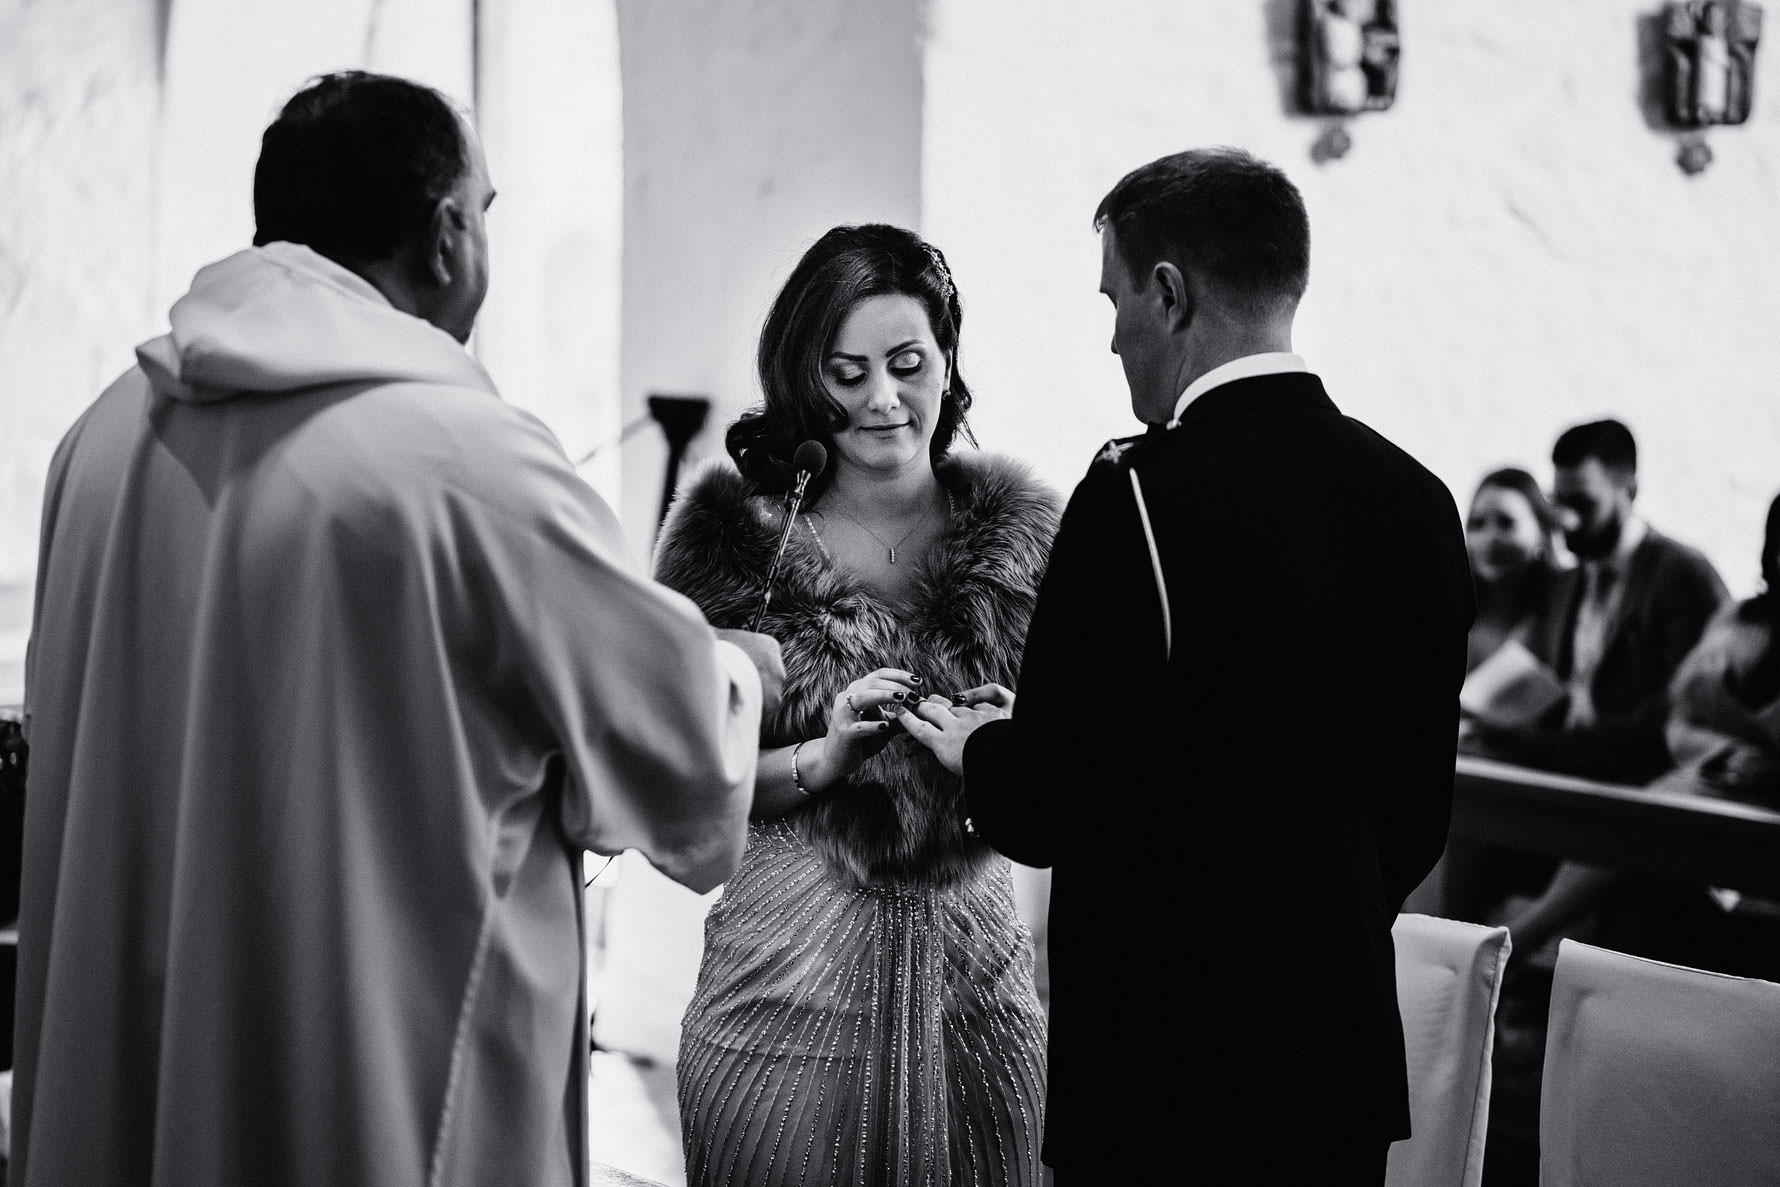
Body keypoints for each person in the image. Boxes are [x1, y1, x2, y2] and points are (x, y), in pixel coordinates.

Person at [14, 71, 781, 1187]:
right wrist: (741, 670)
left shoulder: (99, 439)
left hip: (152, 1029)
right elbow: (669, 743)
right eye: (488, 212)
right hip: (369, 1072)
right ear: (448, 233)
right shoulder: (463, 457)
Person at [898, 148, 1474, 1183]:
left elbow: (1052, 801)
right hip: (1330, 1048)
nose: (1112, 335)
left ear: (1169, 295)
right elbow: (1416, 810)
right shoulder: (1416, 498)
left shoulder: (1138, 497)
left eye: (1114, 298)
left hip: (1162, 1053)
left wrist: (986, 746)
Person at [654, 224, 1059, 1187]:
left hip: (978, 981)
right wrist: (819, 761)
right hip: (785, 978)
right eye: (847, 372)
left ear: (947, 361)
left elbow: (1081, 775)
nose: (883, 399)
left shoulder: (1031, 541)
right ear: (806, 380)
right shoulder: (727, 546)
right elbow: (672, 786)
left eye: (909, 363)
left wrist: (1011, 750)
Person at [1461, 466, 1569, 675]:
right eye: (1477, 524)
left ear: (1543, 531)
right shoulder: (1451, 612)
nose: (1490, 537)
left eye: (1506, 523)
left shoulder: (1566, 608)